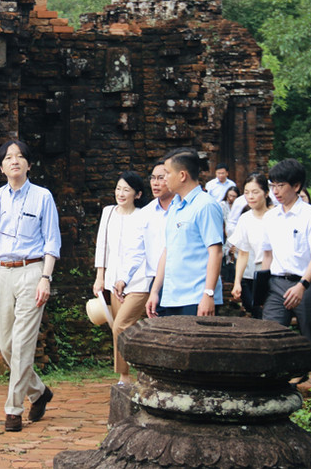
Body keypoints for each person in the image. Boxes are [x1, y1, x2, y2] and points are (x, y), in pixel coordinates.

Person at [0, 140, 61, 432]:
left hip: (32, 271)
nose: (14, 161)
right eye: (9, 157)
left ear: (29, 164)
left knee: (22, 343)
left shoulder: (43, 197)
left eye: (20, 156)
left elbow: (52, 242)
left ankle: (13, 409)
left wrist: (45, 278)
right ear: (1, 167)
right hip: (1, 273)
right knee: (4, 342)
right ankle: (39, 392)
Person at [261, 159, 311, 353]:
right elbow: (268, 254)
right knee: (270, 334)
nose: (276, 191)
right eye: (273, 186)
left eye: (281, 186)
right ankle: (277, 379)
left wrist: (302, 285)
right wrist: (261, 285)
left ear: (297, 186)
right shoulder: (270, 217)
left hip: (307, 284)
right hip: (277, 284)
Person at [146, 148, 224, 318]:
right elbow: (168, 250)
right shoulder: (175, 206)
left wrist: (208, 294)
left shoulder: (205, 205)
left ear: (182, 175)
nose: (164, 178)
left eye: (167, 173)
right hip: (171, 297)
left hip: (197, 297)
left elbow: (216, 252)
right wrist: (155, 292)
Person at [92, 171, 148, 384]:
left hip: (138, 281)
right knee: (123, 328)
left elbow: (143, 250)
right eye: (118, 188)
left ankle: (133, 372)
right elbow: (102, 245)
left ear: (138, 194)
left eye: (126, 190)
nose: (121, 193)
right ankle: (129, 374)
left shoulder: (144, 216)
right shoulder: (108, 212)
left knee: (121, 326)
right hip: (113, 281)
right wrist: (100, 277)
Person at [228, 173, 271, 316]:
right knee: (255, 311)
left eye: (255, 192)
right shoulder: (245, 219)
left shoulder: (275, 217)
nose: (250, 197)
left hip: (273, 275)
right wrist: (237, 282)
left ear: (266, 193)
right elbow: (242, 253)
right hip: (251, 275)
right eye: (247, 193)